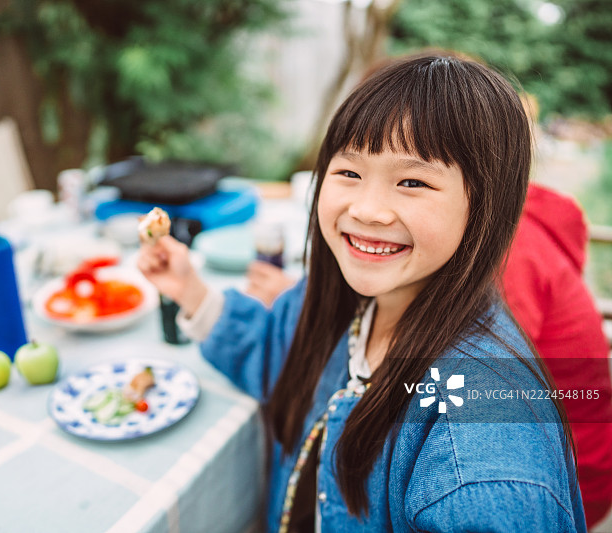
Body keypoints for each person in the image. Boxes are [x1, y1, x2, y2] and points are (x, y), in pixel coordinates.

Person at [139, 53, 586, 531]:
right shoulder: (350, 300)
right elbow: (277, 354)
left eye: (412, 181)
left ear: (484, 208)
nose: (368, 210)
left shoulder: (480, 441)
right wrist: (190, 291)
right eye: (349, 173)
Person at [502, 183, 612, 530]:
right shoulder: (526, 228)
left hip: (568, 476)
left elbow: (491, 377)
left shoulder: (513, 246)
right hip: (581, 457)